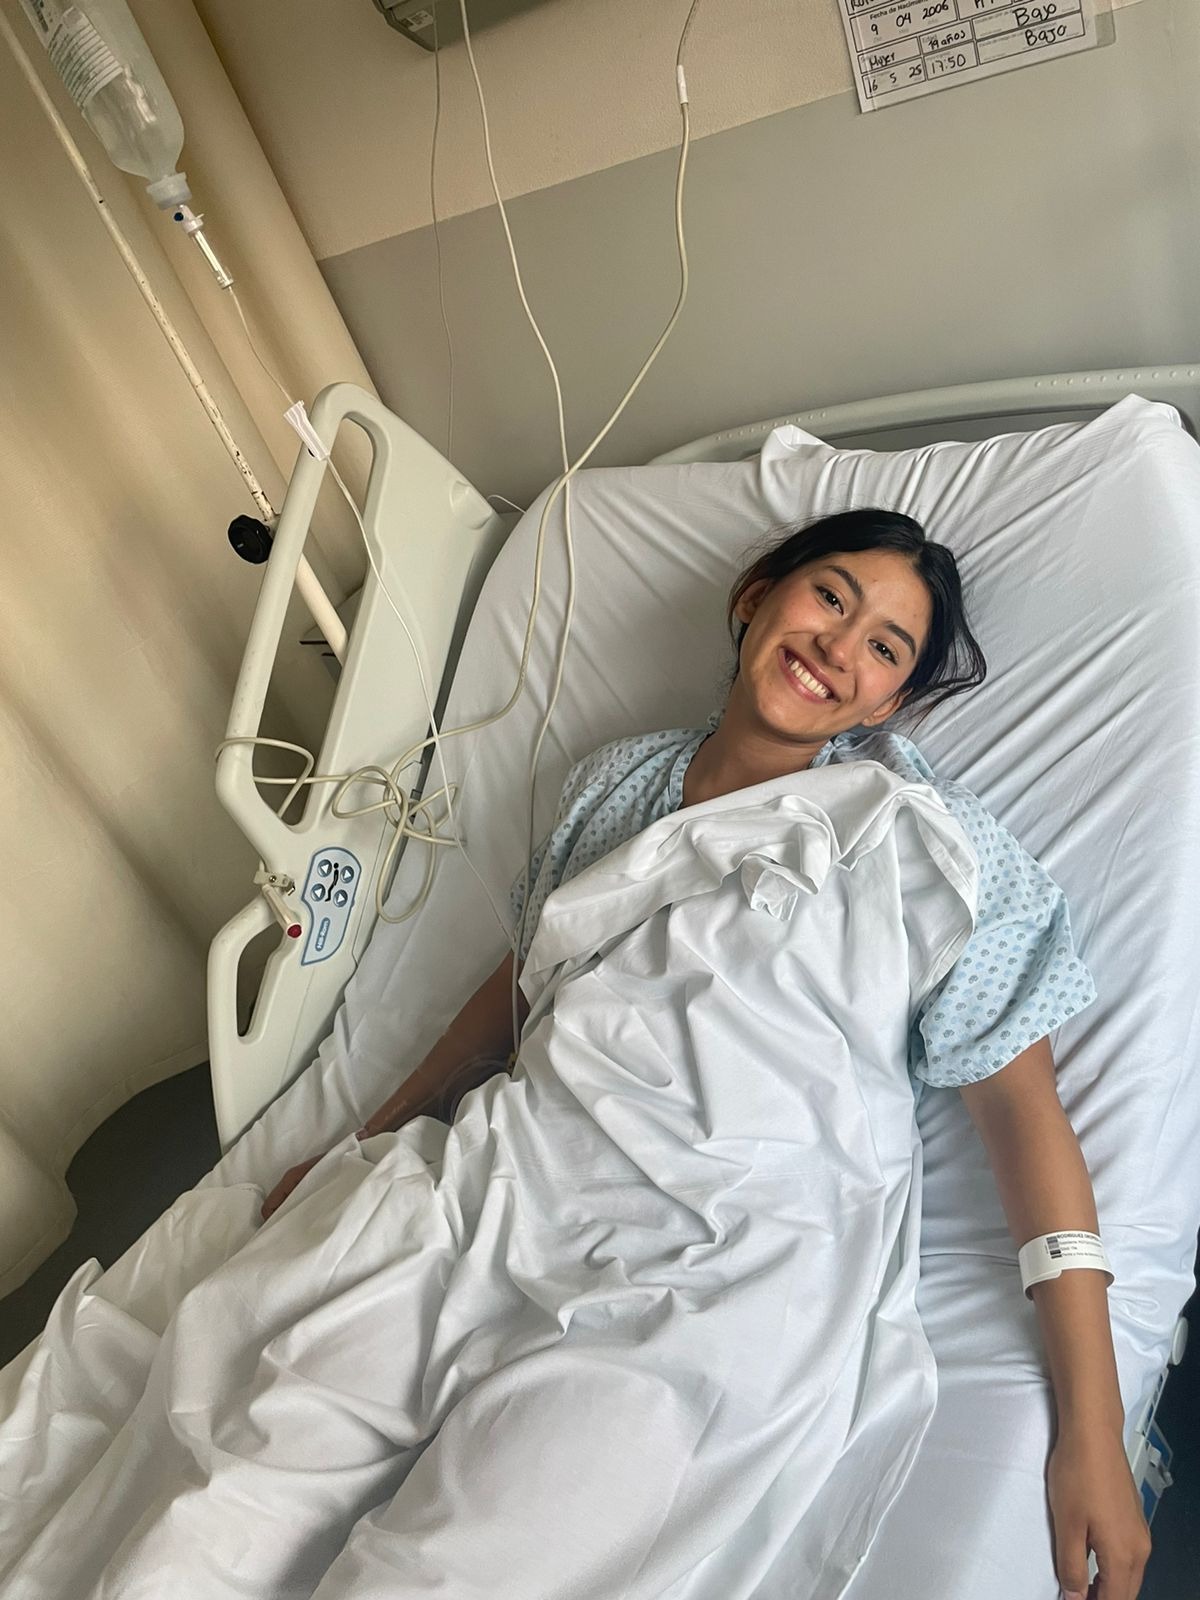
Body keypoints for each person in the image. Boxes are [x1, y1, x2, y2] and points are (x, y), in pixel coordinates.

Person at [263, 509, 1151, 1600]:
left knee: (441, 1572)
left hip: (725, 1257)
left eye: (884, 647)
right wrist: (367, 1140)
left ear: (889, 703)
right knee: (256, 1453)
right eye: (830, 596)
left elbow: (1022, 1111)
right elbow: (523, 982)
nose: (838, 646)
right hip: (510, 1189)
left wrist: (1093, 1427)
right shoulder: (614, 785)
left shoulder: (927, 843)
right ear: (756, 595)